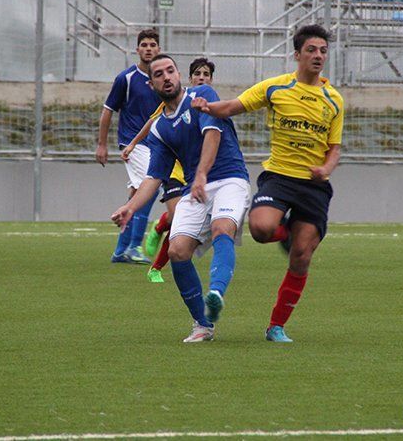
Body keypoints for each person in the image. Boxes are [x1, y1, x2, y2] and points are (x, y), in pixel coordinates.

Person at [191, 24, 344, 343]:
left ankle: (276, 326)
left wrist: (326, 168)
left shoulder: (334, 100)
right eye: (312, 50)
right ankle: (285, 229)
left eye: (323, 51)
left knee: (301, 256)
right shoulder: (276, 88)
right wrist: (208, 107)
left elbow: (335, 147)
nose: (318, 56)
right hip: (279, 178)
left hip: (313, 187)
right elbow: (234, 106)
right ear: (297, 54)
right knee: (260, 229)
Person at [111, 54, 250, 343]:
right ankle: (202, 324)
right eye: (159, 74)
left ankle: (215, 293)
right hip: (195, 188)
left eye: (171, 70)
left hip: (229, 178)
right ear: (152, 84)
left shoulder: (202, 95)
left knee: (222, 227)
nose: (167, 76)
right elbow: (154, 177)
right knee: (176, 251)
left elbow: (212, 135)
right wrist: (130, 206)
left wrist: (201, 174)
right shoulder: (159, 127)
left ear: (178, 75)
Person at [121, 57, 216, 284]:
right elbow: (152, 123)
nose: (202, 77)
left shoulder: (210, 102)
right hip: (175, 170)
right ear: (188, 77)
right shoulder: (176, 100)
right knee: (176, 219)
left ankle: (157, 264)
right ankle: (159, 233)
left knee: (193, 227)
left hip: (200, 174)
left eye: (206, 74)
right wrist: (133, 143)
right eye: (198, 74)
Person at [97, 29, 162, 264]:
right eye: (144, 44)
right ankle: (134, 246)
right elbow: (107, 111)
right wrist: (102, 145)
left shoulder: (161, 79)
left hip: (155, 145)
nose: (148, 48)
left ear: (159, 49)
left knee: (137, 194)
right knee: (149, 189)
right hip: (132, 145)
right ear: (137, 50)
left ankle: (120, 250)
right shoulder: (126, 78)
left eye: (152, 44)